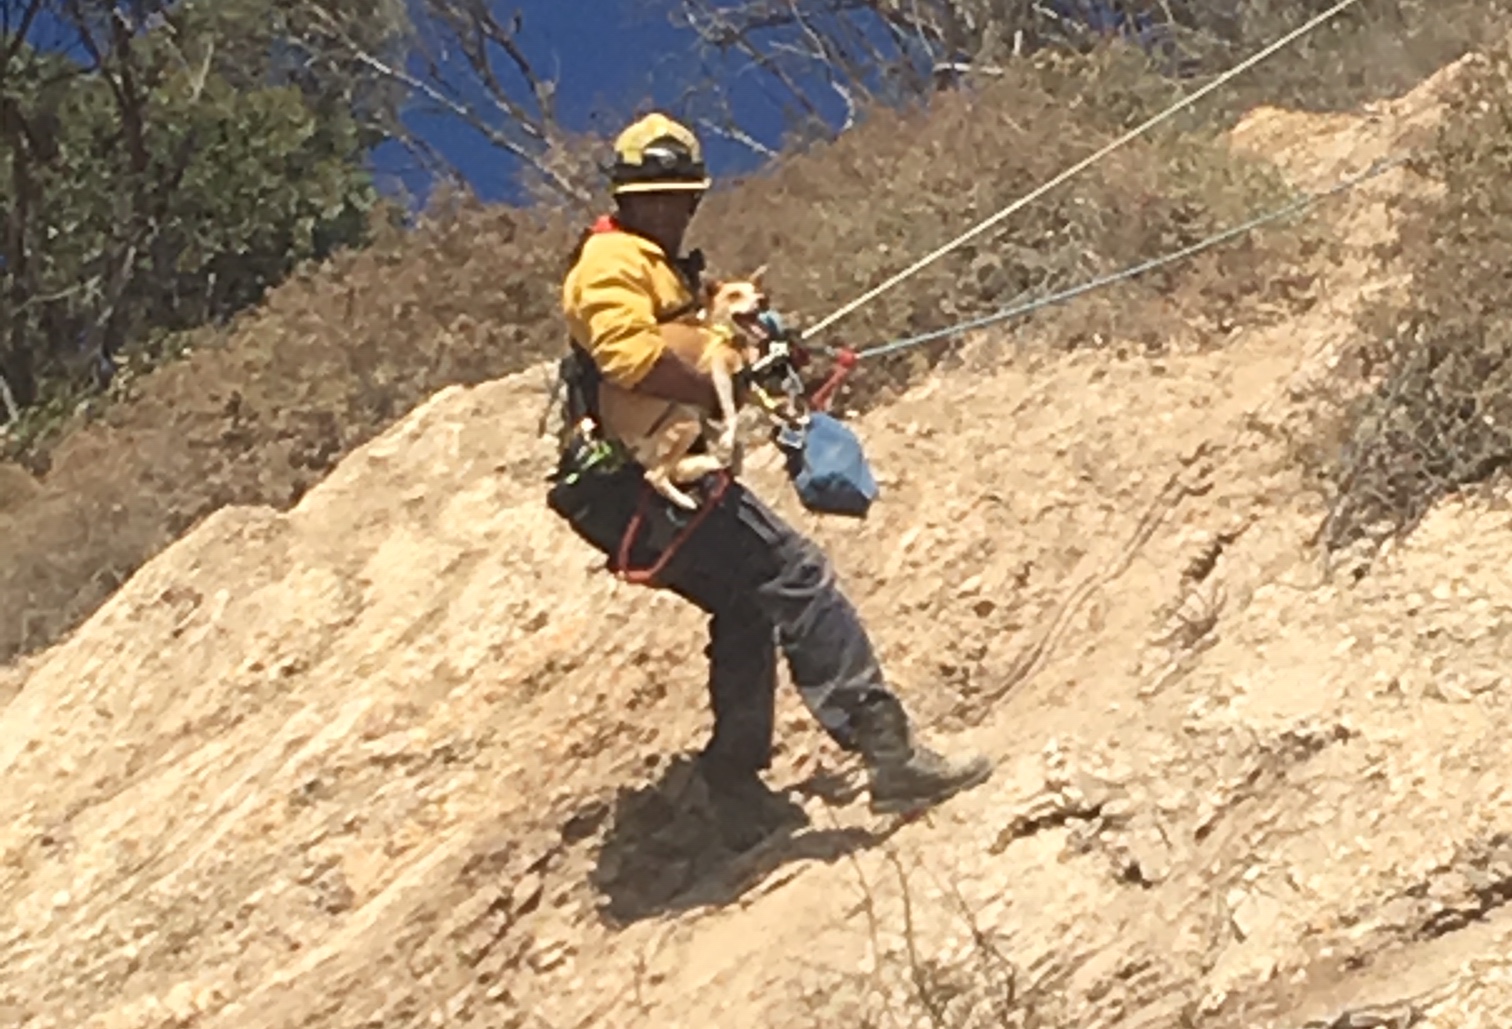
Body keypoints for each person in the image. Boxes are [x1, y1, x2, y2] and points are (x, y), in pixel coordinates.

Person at [546, 113, 991, 850]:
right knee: (795, 572)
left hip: (649, 480)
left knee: (746, 603)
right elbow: (631, 360)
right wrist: (730, 371)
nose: (666, 210)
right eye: (652, 198)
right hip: (640, 481)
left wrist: (769, 363)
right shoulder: (610, 263)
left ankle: (733, 785)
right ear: (625, 199)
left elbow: (701, 366)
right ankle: (889, 752)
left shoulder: (672, 277)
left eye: (677, 198)